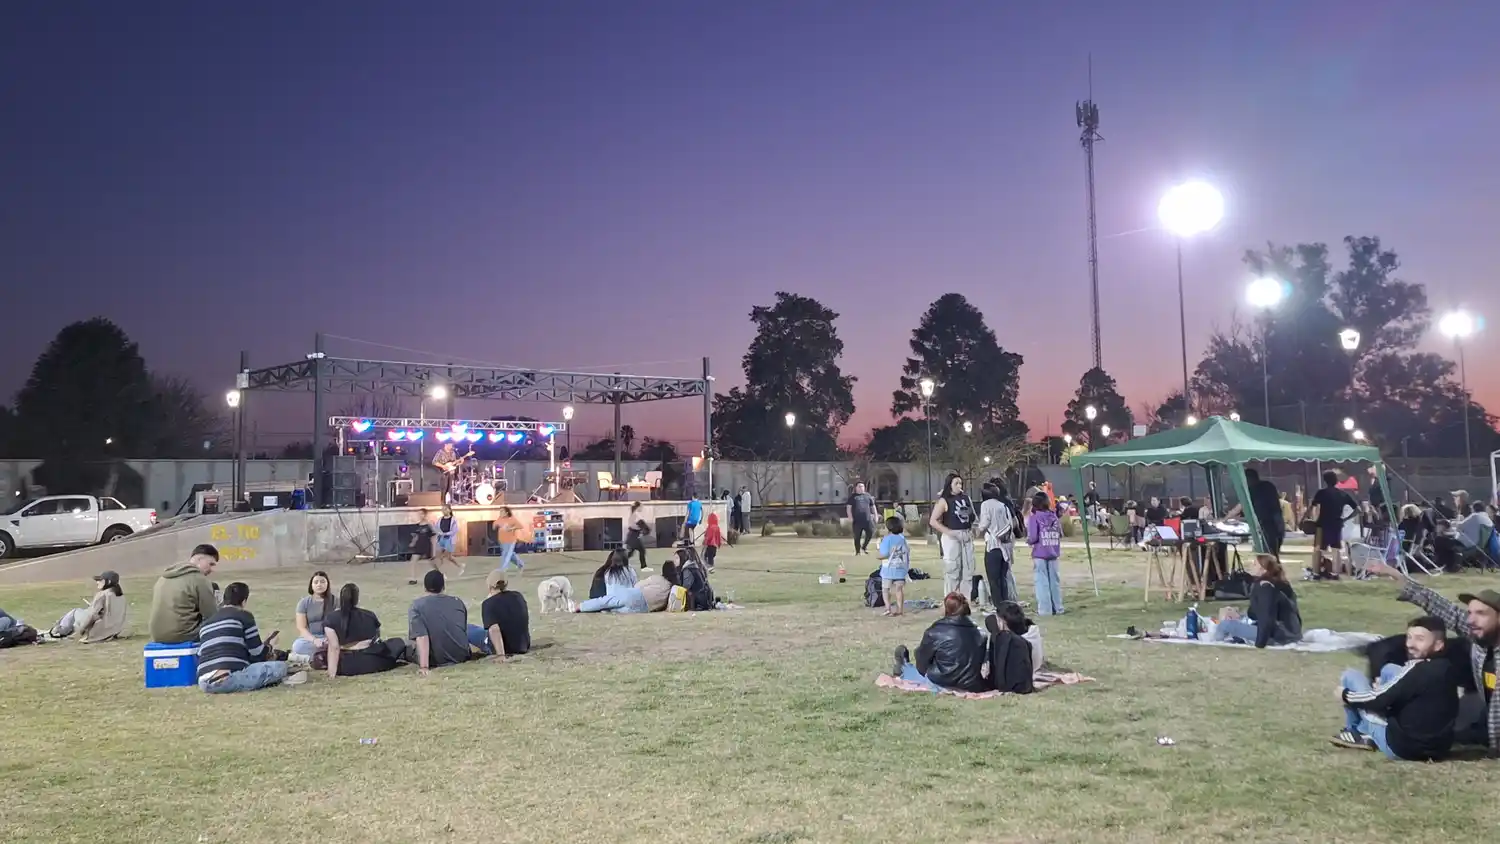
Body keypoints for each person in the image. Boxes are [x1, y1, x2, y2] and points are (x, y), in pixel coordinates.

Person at [1364, 561, 1498, 756]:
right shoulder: (1479, 636)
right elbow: (1444, 609)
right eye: (1470, 613)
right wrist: (1397, 576)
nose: (1471, 619)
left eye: (1481, 613)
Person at [1332, 616, 1458, 760]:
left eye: (1420, 639)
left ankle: (1355, 732)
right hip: (1440, 749)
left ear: (1438, 645)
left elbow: (1377, 700)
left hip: (1402, 748)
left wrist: (1345, 695)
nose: (1410, 644)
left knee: (1350, 676)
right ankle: (1364, 731)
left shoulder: (1416, 670)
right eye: (1409, 637)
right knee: (1389, 669)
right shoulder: (1447, 667)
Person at [197, 582, 303, 693]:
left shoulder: (206, 623)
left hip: (203, 682)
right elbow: (257, 654)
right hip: (226, 679)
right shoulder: (244, 616)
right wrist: (270, 645)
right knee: (280, 667)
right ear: (244, 601)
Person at [890, 593, 987, 693]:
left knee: (913, 673)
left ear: (947, 609)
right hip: (971, 684)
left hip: (942, 682)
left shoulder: (935, 632)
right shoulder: (980, 633)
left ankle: (904, 667)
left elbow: (921, 664)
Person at [1210, 555, 1302, 648]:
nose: (1251, 565)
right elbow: (1259, 613)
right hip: (1289, 632)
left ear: (1263, 570)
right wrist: (1239, 614)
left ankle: (1214, 644)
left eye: (1255, 564)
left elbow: (1267, 617)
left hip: (1279, 636)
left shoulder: (1265, 587)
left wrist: (1259, 644)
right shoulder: (1279, 583)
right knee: (1235, 620)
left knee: (1225, 625)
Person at [324, 583, 405, 678]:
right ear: (357, 599)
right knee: (397, 642)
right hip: (374, 662)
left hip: (347, 666)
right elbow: (376, 639)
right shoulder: (369, 615)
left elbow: (334, 648)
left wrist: (332, 673)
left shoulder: (331, 618)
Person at [149, 544, 220, 644]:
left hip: (157, 636)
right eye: (211, 564)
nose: (212, 569)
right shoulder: (200, 579)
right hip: (184, 635)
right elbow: (212, 616)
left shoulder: (163, 578)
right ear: (200, 559)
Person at [408, 569, 473, 676]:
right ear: (443, 587)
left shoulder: (417, 606)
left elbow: (422, 637)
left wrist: (424, 667)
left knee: (406, 644)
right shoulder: (457, 602)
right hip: (461, 655)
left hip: (436, 658)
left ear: (425, 587)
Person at [928, 473, 977, 597]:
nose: (959, 486)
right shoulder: (944, 500)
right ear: (949, 485)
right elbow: (933, 521)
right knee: (953, 571)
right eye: (956, 483)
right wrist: (949, 532)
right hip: (952, 537)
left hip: (966, 536)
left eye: (960, 483)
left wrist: (974, 529)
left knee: (968, 570)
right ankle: (951, 601)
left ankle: (965, 600)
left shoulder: (966, 498)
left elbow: (973, 517)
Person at [48, 571, 128, 642]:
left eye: (100, 580)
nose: (97, 582)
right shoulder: (121, 596)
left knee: (75, 612)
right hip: (113, 631)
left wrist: (82, 630)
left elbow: (92, 616)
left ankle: (59, 631)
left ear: (108, 582)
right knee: (85, 611)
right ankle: (60, 628)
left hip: (99, 633)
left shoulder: (102, 595)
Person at [1308, 470, 1359, 579]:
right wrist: (1345, 519)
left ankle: (1316, 573)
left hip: (1322, 524)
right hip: (1336, 524)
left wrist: (1304, 518)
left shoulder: (1321, 493)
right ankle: (1335, 573)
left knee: (1318, 549)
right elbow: (1357, 509)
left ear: (1325, 481)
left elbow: (1312, 506)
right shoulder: (1342, 494)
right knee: (1336, 549)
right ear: (1336, 480)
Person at [975, 481, 1020, 605]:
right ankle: (1006, 603)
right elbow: (1011, 523)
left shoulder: (986, 505)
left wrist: (977, 531)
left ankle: (998, 605)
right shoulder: (1003, 505)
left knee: (993, 579)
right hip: (1005, 546)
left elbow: (984, 523)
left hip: (993, 545)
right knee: (1003, 578)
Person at [1225, 468, 1284, 558]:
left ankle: (1271, 565)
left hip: (1267, 524)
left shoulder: (1252, 489)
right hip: (1277, 521)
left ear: (1249, 479)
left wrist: (1224, 519)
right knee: (1273, 553)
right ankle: (1274, 564)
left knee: (1267, 554)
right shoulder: (1268, 485)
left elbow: (1239, 507)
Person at [473, 570, 530, 659]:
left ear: (489, 585)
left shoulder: (488, 603)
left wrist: (501, 655)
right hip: (523, 646)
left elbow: (494, 630)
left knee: (469, 630)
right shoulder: (518, 596)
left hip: (506, 649)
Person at [1026, 491, 1064, 616]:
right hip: (1053, 553)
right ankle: (1058, 608)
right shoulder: (1054, 516)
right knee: (1054, 582)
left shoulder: (1034, 517)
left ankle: (1045, 610)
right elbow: (1060, 534)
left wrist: (1028, 541)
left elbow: (1033, 537)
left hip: (1040, 553)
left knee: (1042, 583)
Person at [575, 549, 649, 614]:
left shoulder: (608, 572)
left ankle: (580, 606)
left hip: (614, 600)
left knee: (603, 603)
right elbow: (636, 586)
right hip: (631, 600)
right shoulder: (630, 570)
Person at [984, 602, 1035, 694]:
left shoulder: (1002, 639)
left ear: (1002, 621)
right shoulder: (1031, 633)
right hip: (1024, 684)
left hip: (1008, 685)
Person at [292, 570, 337, 658]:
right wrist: (314, 640)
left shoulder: (336, 601)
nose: (319, 585)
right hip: (311, 638)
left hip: (331, 637)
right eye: (316, 582)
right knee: (298, 646)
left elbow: (340, 624)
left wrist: (330, 639)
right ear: (311, 585)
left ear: (327, 584)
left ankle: (318, 655)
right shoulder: (304, 603)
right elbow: (301, 627)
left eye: (322, 582)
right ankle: (326, 654)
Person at [877, 516, 911, 617]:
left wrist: (877, 556)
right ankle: (900, 610)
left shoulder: (887, 539)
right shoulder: (902, 538)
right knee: (899, 590)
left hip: (888, 569)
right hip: (901, 569)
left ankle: (888, 608)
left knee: (885, 589)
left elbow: (884, 554)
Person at [846, 482, 878, 555]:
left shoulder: (868, 496)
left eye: (862, 486)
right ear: (856, 488)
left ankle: (864, 546)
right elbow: (848, 508)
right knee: (857, 536)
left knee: (871, 532)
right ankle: (858, 552)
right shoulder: (852, 497)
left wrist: (876, 516)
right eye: (860, 486)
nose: (861, 488)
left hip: (867, 519)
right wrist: (850, 517)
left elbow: (873, 506)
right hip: (857, 520)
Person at [492, 506, 526, 572]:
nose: (500, 513)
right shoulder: (500, 519)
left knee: (506, 553)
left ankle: (503, 568)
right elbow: (494, 526)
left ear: (506, 512)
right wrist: (495, 525)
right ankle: (520, 564)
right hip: (502, 540)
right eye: (500, 511)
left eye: (502, 511)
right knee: (510, 554)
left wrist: (511, 528)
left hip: (510, 540)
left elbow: (520, 526)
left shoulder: (512, 519)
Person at [408, 508, 436, 585]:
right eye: (419, 514)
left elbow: (433, 537)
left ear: (425, 515)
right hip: (418, 545)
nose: (420, 515)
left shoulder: (429, 525)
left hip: (427, 545)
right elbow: (416, 536)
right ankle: (413, 578)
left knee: (432, 562)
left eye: (422, 514)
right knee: (413, 561)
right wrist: (413, 543)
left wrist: (434, 550)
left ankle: (439, 573)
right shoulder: (417, 526)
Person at [625, 501, 651, 571]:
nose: (642, 508)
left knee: (631, 553)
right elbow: (645, 527)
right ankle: (644, 567)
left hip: (632, 536)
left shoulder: (633, 514)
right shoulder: (636, 515)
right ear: (638, 507)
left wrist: (642, 532)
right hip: (634, 536)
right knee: (641, 550)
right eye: (641, 506)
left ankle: (621, 564)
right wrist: (644, 532)